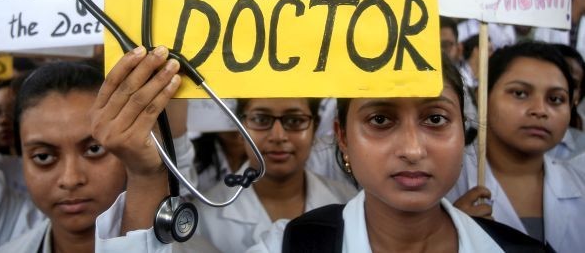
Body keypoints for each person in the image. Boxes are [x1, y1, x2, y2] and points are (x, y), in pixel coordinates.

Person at [92, 49, 542, 252]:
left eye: (436, 119)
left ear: (464, 134)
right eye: (380, 120)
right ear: (342, 137)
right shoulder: (289, 245)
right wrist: (147, 175)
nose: (411, 148)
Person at [0, 59, 129, 252]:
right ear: (22, 158)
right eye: (43, 157)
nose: (70, 179)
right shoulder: (12, 234)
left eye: (94, 150)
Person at [449, 42, 585, 251]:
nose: (540, 110)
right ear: (482, 95)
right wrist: (445, 233)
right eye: (520, 93)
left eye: (556, 99)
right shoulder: (445, 183)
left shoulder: (580, 181)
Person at [192, 98, 355, 253]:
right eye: (261, 120)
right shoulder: (202, 217)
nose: (278, 136)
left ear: (315, 127)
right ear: (240, 128)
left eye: (295, 121)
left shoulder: (348, 202)